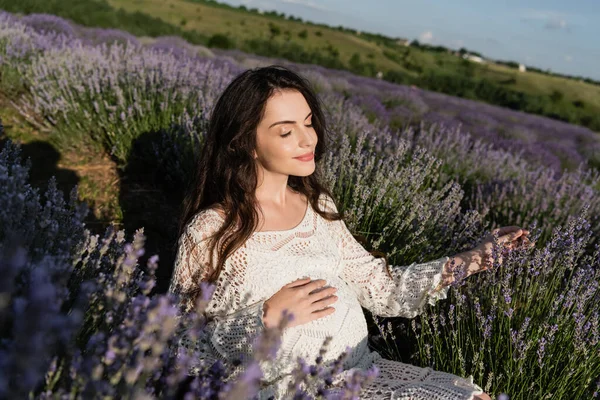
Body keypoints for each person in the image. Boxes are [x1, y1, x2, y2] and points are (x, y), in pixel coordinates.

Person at [168, 65, 533, 399]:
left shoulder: (319, 206)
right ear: (245, 142)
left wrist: (477, 258)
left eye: (308, 123)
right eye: (286, 131)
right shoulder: (211, 231)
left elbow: (382, 287)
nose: (307, 139)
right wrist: (265, 318)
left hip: (358, 375)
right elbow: (177, 344)